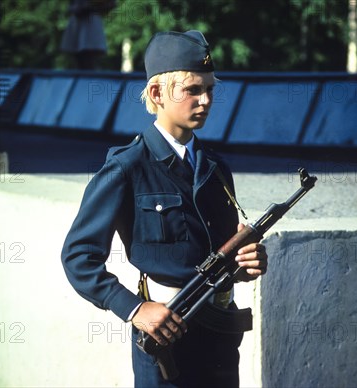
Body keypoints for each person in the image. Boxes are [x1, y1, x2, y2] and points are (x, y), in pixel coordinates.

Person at [61, 30, 268, 387]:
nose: (205, 100)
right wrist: (134, 309)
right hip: (164, 337)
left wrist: (246, 264)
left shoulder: (216, 168)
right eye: (192, 90)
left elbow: (221, 255)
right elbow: (79, 255)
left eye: (210, 89)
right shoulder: (127, 167)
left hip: (220, 335)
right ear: (157, 93)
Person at [61, 0, 116, 69]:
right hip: (77, 22)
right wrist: (76, 8)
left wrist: (93, 7)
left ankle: (89, 75)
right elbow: (72, 5)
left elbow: (111, 4)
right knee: (78, 58)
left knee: (89, 57)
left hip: (91, 22)